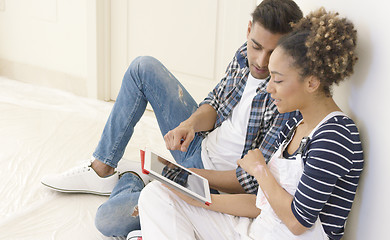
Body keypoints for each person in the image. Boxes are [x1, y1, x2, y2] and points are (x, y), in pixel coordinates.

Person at [40, 0, 303, 237]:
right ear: (248, 30)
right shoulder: (244, 55)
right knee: (142, 67)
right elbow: (215, 102)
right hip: (199, 146)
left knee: (108, 220)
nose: (261, 60)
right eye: (256, 46)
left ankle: (135, 178)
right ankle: (102, 167)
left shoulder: (286, 96)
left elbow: (251, 182)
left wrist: (185, 177)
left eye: (273, 52)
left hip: (218, 184)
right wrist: (189, 124)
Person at [137, 7, 363, 240]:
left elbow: (298, 222)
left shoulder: (336, 136)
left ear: (312, 82)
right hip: (253, 231)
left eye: (278, 80)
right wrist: (198, 198)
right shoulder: (295, 126)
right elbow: (260, 205)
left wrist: (259, 170)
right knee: (157, 195)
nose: (269, 87)